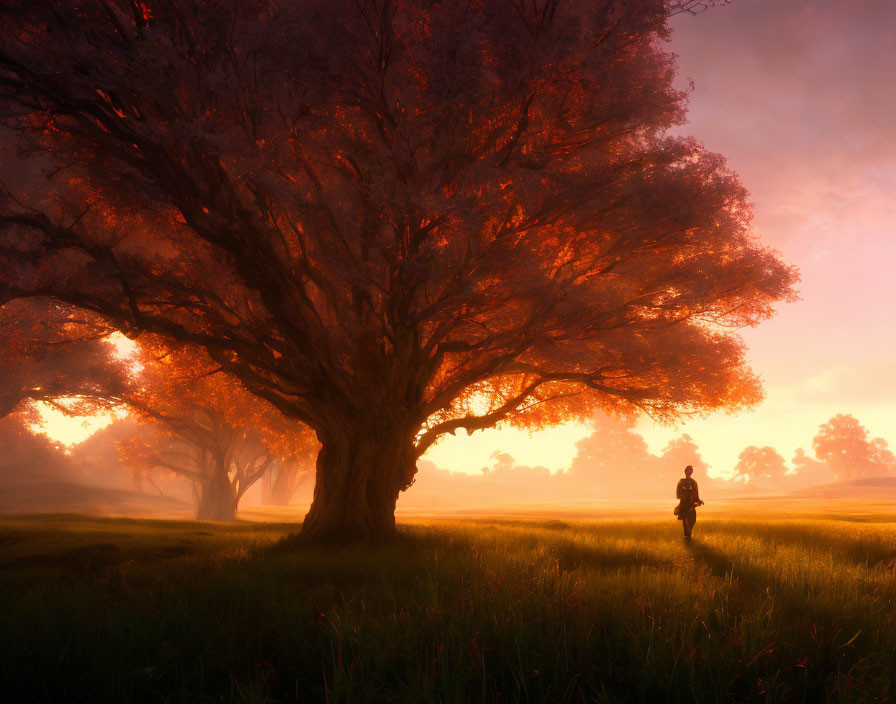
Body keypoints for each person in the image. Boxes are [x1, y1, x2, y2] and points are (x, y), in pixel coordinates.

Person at [675, 465, 704, 540]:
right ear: (685, 471)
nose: (689, 471)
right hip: (683, 504)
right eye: (688, 470)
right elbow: (678, 494)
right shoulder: (681, 481)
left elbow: (695, 493)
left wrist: (698, 501)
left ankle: (688, 536)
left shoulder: (694, 482)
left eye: (691, 470)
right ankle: (687, 537)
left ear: (692, 472)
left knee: (692, 521)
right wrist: (685, 497)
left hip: (691, 505)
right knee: (685, 522)